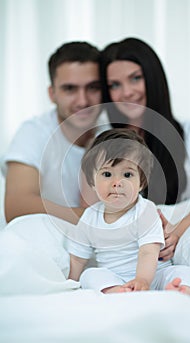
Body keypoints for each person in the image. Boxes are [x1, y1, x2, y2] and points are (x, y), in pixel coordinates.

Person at [100, 37, 190, 261]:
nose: (126, 92)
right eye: (115, 85)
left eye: (135, 78)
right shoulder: (105, 144)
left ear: (153, 79)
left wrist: (175, 232)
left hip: (181, 233)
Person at [67, 128, 190, 295]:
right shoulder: (89, 218)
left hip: (154, 276)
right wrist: (70, 282)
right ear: (92, 181)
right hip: (115, 277)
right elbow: (78, 258)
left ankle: (178, 289)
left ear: (141, 182)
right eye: (107, 174)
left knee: (185, 272)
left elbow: (148, 251)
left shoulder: (145, 211)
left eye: (127, 174)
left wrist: (142, 280)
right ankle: (119, 291)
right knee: (90, 275)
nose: (117, 183)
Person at [1, 41, 109, 224]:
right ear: (52, 94)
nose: (83, 101)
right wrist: (99, 220)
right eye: (70, 89)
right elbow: (17, 206)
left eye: (93, 87)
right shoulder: (34, 132)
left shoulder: (111, 131)